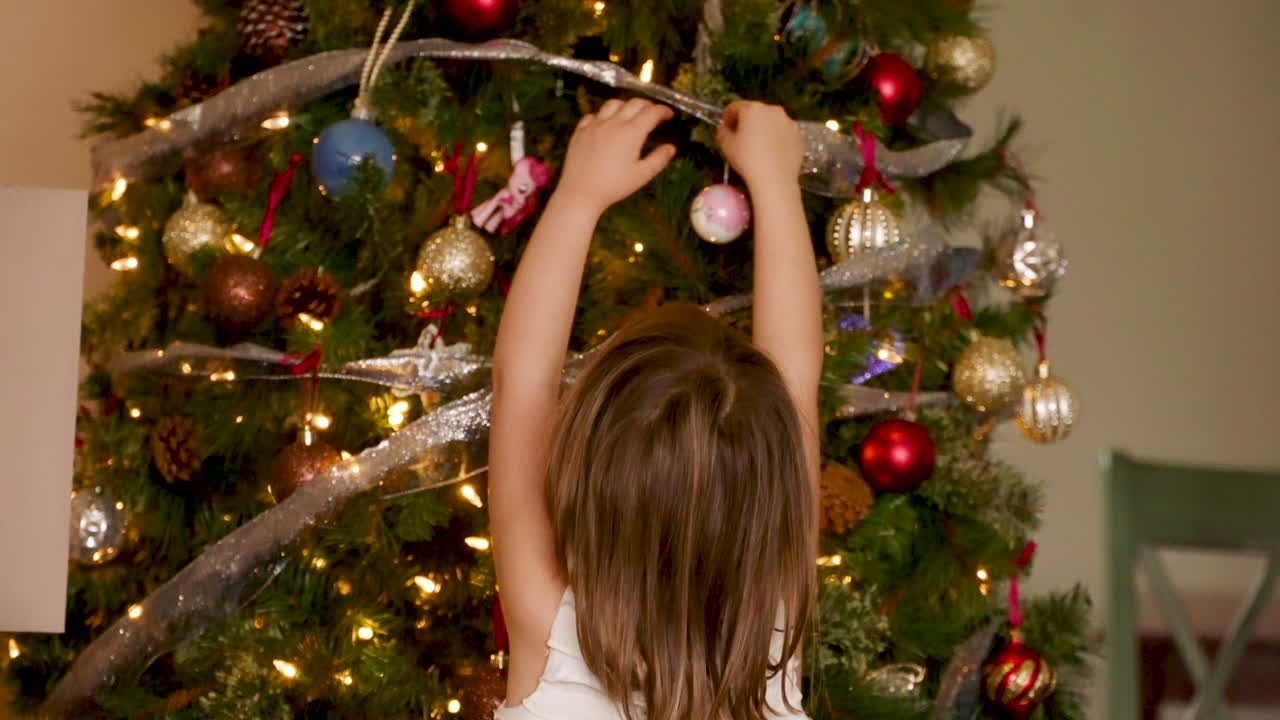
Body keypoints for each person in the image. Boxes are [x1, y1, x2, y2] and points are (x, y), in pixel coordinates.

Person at [489, 97, 821, 720]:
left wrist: (578, 197)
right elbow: (796, 382)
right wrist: (777, 181)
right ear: (771, 498)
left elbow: (525, 384)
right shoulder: (774, 637)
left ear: (582, 476)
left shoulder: (552, 630)